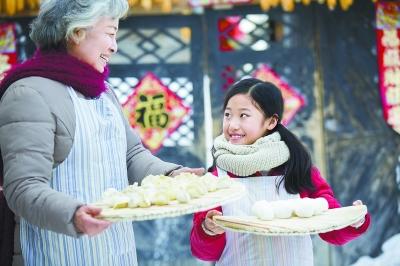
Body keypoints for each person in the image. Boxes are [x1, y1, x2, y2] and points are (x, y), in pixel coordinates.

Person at [0, 0, 204, 265]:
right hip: (58, 252)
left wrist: (172, 175)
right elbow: (23, 187)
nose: (114, 46)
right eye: (110, 33)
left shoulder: (104, 92)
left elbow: (131, 155)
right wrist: (75, 214)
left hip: (115, 250)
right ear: (76, 32)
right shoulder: (29, 93)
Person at [190, 78, 371, 266]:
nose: (232, 125)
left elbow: (330, 225)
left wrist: (353, 221)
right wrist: (207, 229)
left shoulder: (296, 168)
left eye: (243, 116)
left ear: (271, 121)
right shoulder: (216, 178)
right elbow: (203, 252)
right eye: (228, 115)